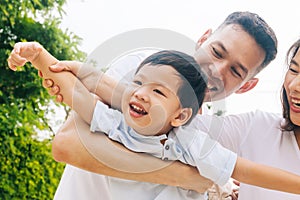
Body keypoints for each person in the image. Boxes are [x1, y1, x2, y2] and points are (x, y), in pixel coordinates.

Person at [7, 11, 278, 199]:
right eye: (217, 51)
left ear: (247, 86)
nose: (217, 70)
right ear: (203, 38)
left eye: (236, 71)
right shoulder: (142, 72)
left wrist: (215, 186)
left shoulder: (201, 133)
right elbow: (68, 144)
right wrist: (185, 176)